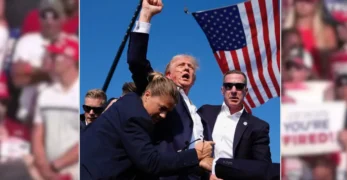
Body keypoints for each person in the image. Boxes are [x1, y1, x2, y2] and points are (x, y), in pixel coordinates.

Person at [127, 0, 211, 178]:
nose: (187, 68)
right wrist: (146, 15)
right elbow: (136, 61)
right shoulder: (160, 91)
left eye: (190, 67)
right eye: (181, 65)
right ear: (168, 74)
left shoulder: (198, 114)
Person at [80, 72, 214, 180]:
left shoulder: (128, 103)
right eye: (162, 108)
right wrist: (195, 154)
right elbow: (151, 163)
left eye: (167, 111)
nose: (163, 115)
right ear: (148, 95)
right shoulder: (135, 117)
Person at [197, 70, 272, 180]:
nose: (233, 91)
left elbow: (262, 167)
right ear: (222, 90)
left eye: (239, 86)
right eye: (228, 86)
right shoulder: (205, 112)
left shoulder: (258, 127)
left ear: (245, 91)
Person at [32, 37, 79, 180]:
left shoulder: (83, 94)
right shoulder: (45, 94)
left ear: (70, 60)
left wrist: (56, 165)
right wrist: (44, 167)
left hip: (75, 172)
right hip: (46, 173)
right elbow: (37, 134)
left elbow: (88, 136)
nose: (50, 60)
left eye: (55, 56)